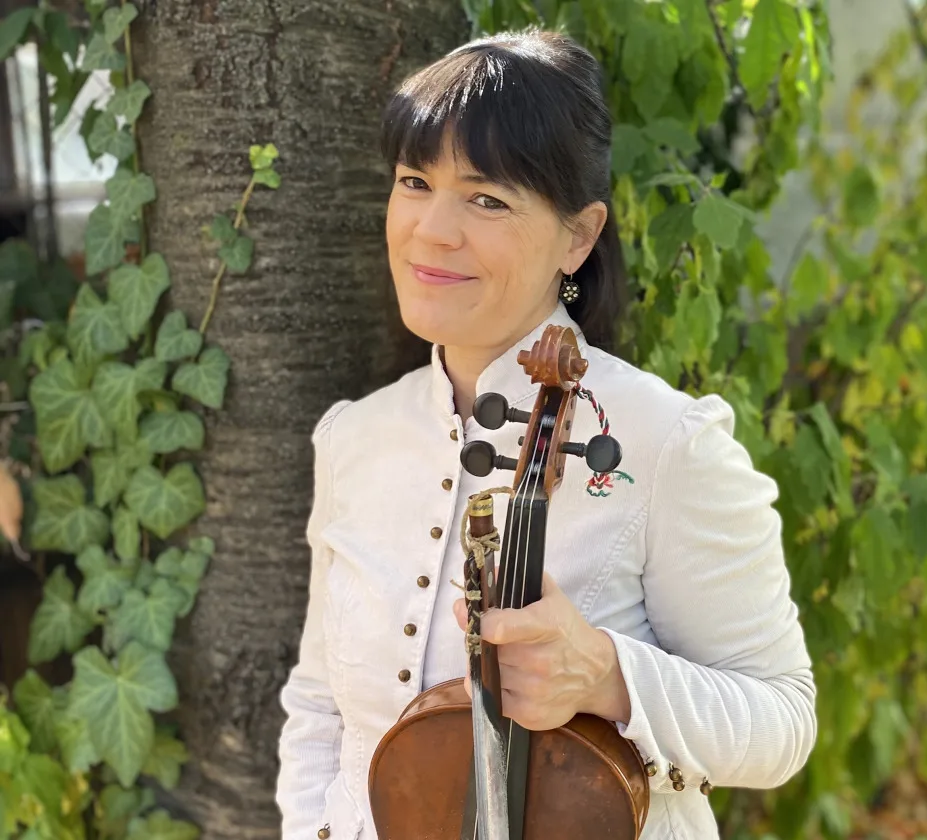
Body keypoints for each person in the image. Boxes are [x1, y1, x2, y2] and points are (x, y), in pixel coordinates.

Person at [275, 26, 817, 840]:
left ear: (579, 235)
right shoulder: (354, 439)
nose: (432, 229)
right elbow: (322, 710)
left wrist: (607, 675)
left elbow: (783, 720)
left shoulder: (666, 441)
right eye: (415, 182)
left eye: (487, 199)